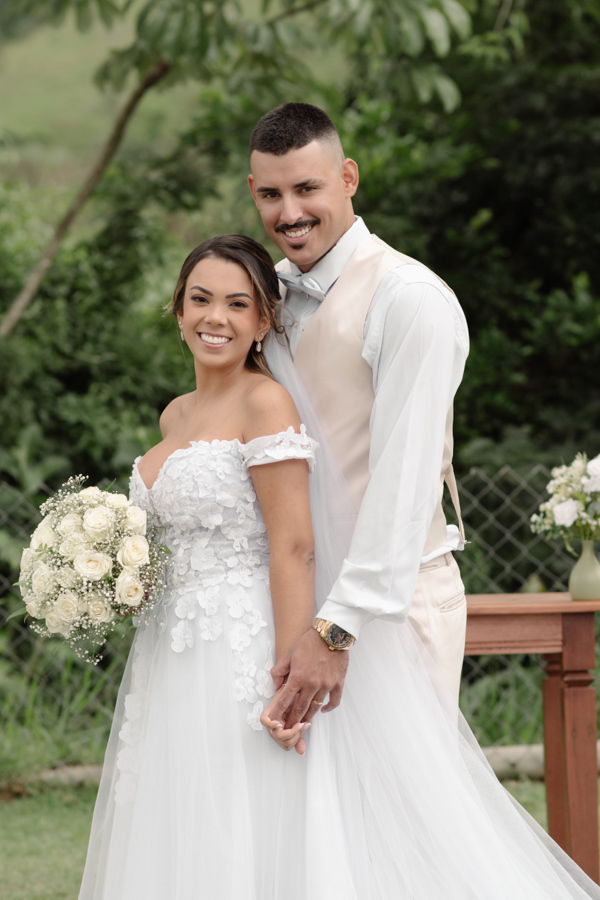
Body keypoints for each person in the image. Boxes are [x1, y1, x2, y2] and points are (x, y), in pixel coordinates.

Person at [79, 234, 600, 899]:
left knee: (258, 809)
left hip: (244, 643)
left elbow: (295, 545)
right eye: (201, 299)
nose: (217, 317)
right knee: (190, 810)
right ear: (177, 309)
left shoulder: (266, 402)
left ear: (263, 321)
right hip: (175, 650)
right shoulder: (174, 413)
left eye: (238, 304)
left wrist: (293, 665)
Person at [247, 103, 469, 730]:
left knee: (401, 820)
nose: (288, 213)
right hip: (293, 598)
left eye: (307, 188)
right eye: (271, 194)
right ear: (252, 192)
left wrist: (338, 627)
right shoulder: (264, 298)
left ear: (348, 177)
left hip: (387, 606)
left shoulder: (410, 298)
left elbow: (406, 477)